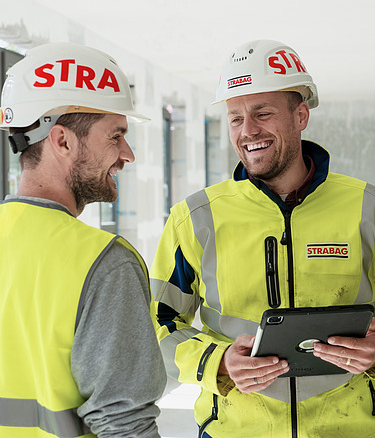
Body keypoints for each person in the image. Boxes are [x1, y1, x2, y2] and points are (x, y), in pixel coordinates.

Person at [150, 39, 375, 437]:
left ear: (301, 115)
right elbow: (156, 324)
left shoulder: (367, 208)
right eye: (235, 118)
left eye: (262, 113)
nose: (247, 131)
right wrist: (217, 361)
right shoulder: (197, 218)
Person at [0, 43, 167, 438]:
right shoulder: (104, 262)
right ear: (62, 141)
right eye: (116, 135)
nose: (128, 154)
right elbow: (125, 424)